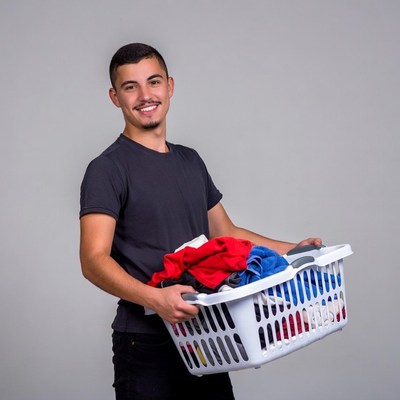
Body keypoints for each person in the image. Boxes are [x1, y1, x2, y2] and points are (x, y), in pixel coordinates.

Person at [79, 42, 322, 400]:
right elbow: (93, 260)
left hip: (207, 335)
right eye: (131, 87)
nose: (146, 95)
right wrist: (155, 297)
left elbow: (227, 234)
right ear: (115, 97)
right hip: (145, 342)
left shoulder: (190, 161)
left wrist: (294, 250)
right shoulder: (107, 169)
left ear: (170, 86)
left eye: (154, 82)